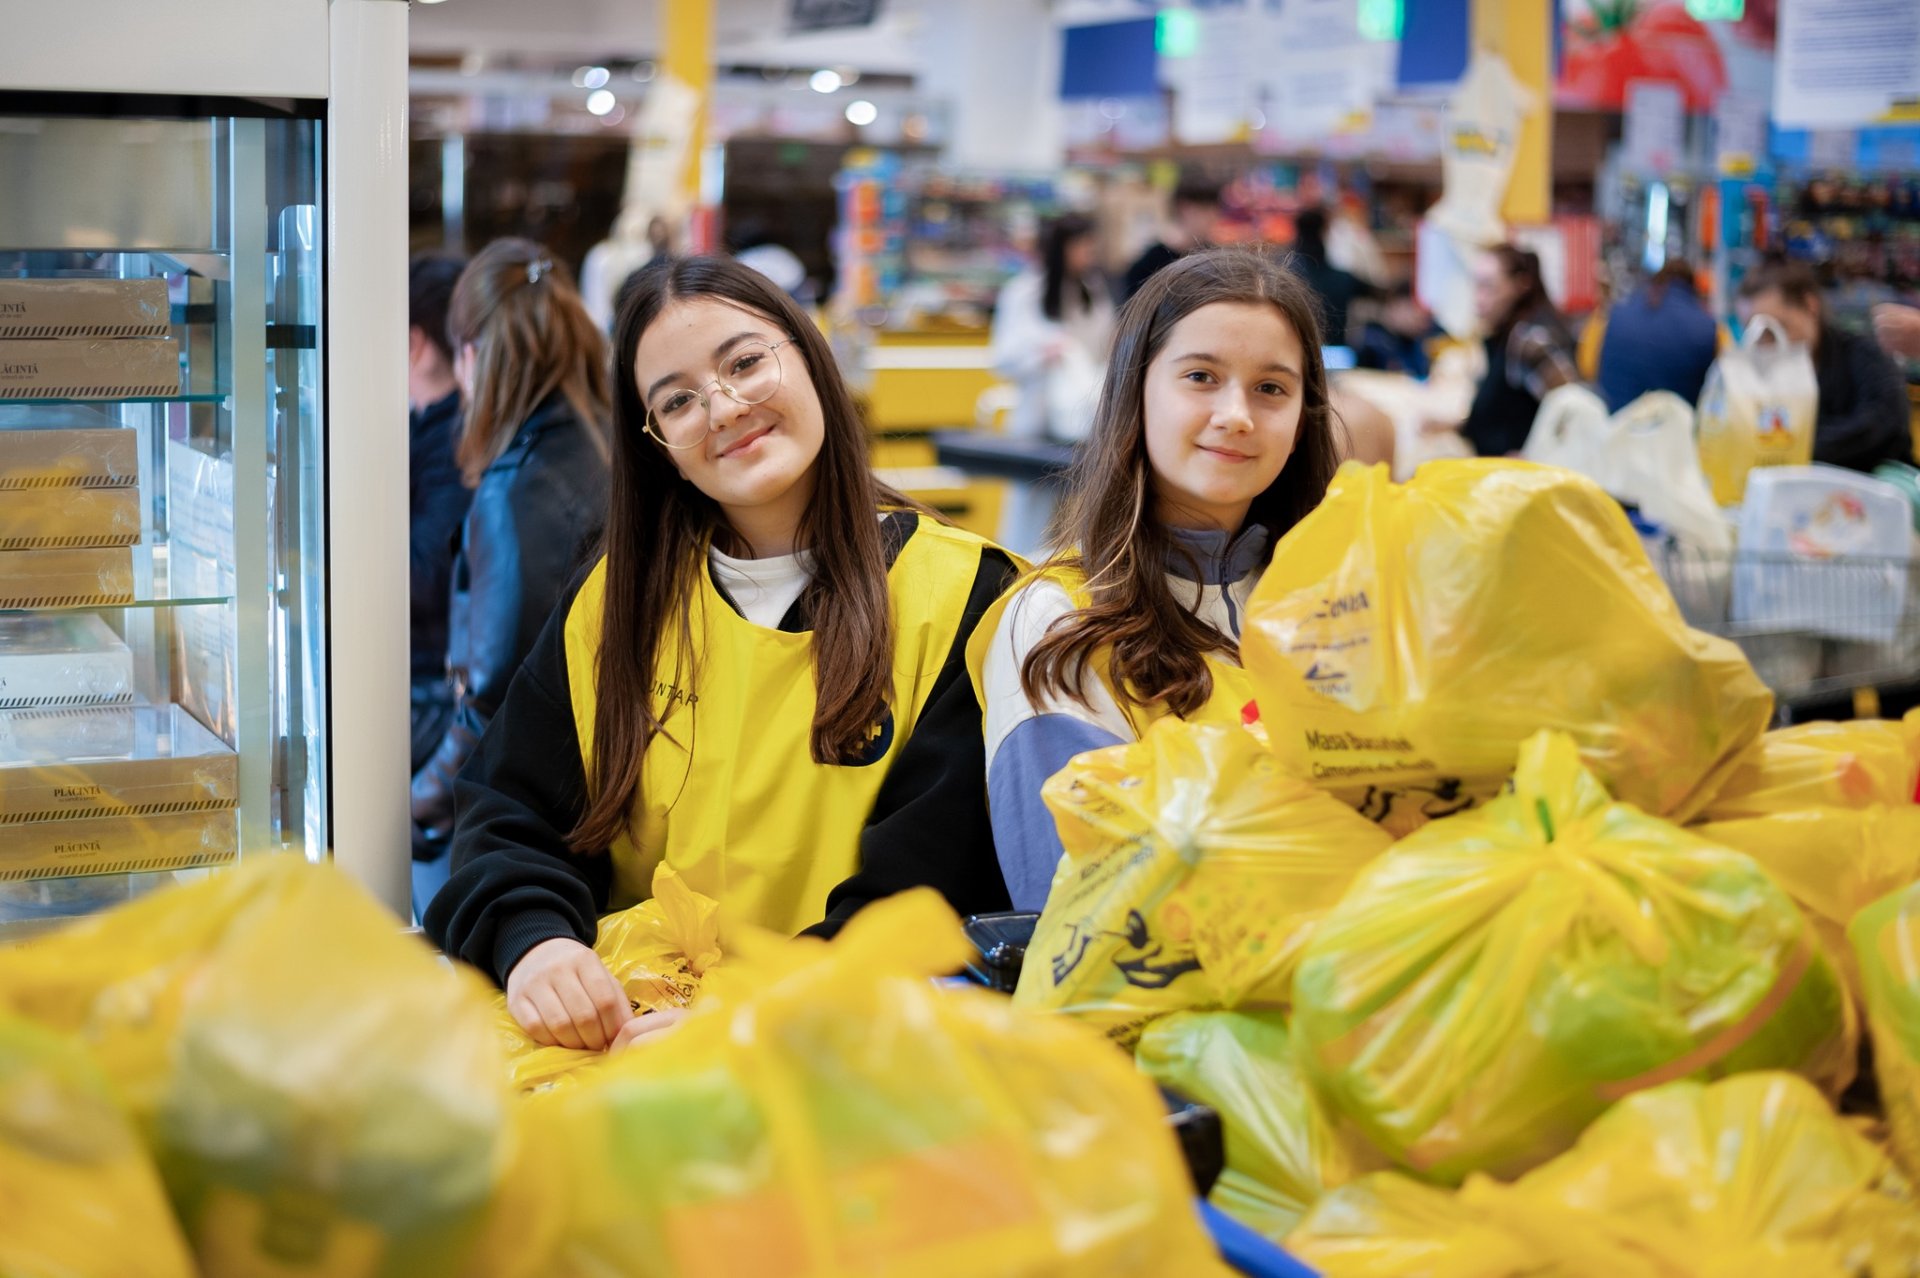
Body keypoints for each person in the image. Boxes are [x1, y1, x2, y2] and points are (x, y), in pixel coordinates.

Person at [424, 255, 1019, 1052]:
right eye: (676, 401)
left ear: (809, 355)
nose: (724, 407)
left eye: (745, 362)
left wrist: (752, 1020)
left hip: (845, 1068)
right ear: (655, 442)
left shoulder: (968, 600)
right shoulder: (616, 602)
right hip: (626, 1054)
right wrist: (537, 943)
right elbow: (509, 811)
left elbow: (928, 897)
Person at [970, 248, 1341, 908]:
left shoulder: (1336, 603)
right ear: (1134, 389)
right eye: (1201, 376)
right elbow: (1077, 904)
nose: (1237, 414)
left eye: (1272, 388)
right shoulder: (1059, 619)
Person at [410, 240, 613, 911]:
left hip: (538, 810)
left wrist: (422, 799)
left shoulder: (514, 491)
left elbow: (496, 689)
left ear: (471, 354)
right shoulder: (609, 443)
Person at [1737, 261, 1912, 473]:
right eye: (1756, 332)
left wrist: (1792, 447)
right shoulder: (1758, 379)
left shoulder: (1864, 356)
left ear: (1810, 306)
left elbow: (1883, 424)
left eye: (1779, 327)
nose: (1767, 345)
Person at [406, 253, 475, 775]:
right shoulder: (438, 426)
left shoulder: (451, 442)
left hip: (430, 692)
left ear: (413, 341)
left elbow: (425, 572)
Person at [989, 213, 1115, 442]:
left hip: (1083, 424)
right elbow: (1002, 360)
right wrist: (1043, 356)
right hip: (1034, 422)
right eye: (1083, 246)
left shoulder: (1092, 290)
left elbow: (1104, 346)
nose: (1089, 255)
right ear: (1062, 248)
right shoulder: (1023, 292)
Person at [1454, 244, 1580, 457]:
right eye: (1476, 286)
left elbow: (1574, 410)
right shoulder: (1505, 334)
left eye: (1489, 287)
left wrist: (1533, 455)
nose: (1478, 299)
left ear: (1520, 286)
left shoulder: (1530, 339)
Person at [1595, 259, 1719, 411]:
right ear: (1691, 286)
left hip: (1618, 421)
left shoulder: (1618, 313)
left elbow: (1591, 367)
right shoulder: (1704, 325)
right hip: (1675, 426)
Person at [1122, 178, 1223, 302]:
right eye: (1206, 209)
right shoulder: (1148, 264)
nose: (1213, 217)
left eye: (1216, 210)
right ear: (1185, 208)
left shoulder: (1215, 258)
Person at [1288, 206, 1369, 348]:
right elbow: (1374, 291)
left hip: (1295, 351)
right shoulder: (1343, 279)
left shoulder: (1283, 278)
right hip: (1337, 355)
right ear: (1324, 234)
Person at [1355, 282, 1438, 379]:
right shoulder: (1371, 338)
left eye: (1424, 320)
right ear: (1395, 303)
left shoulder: (1414, 341)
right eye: (1411, 310)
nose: (1419, 323)